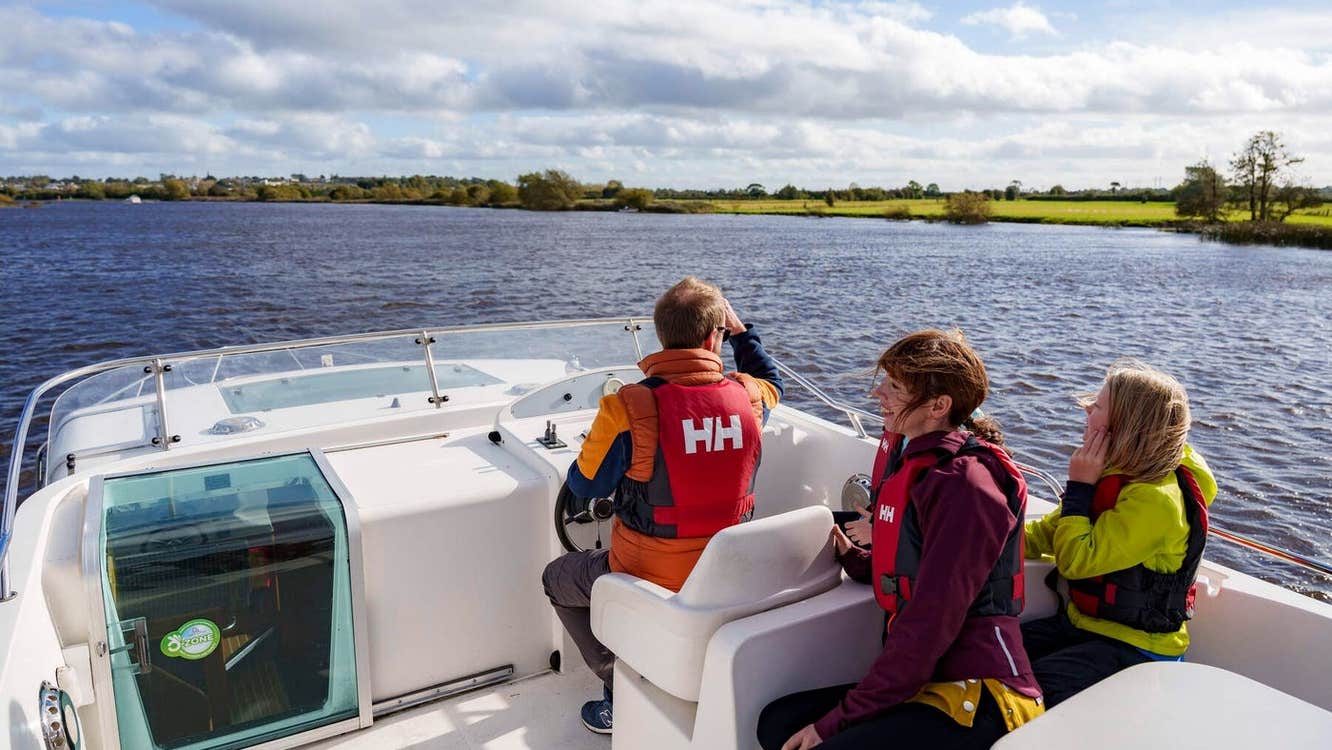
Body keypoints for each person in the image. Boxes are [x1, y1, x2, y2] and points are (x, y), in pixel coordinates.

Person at [758, 329, 1043, 750]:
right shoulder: (923, 468)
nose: (878, 395)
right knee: (776, 722)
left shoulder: (967, 486)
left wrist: (834, 723)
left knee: (815, 739)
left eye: (894, 386)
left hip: (978, 694)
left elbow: (930, 621)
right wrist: (856, 559)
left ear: (938, 406)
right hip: (928, 677)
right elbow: (912, 568)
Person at [542, 276, 783, 734]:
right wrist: (742, 333)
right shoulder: (750, 397)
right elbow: (774, 382)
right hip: (730, 573)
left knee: (558, 578)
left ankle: (619, 690)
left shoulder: (626, 407)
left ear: (660, 335)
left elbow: (585, 484)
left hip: (647, 576)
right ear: (715, 337)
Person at [1021, 359, 1217, 707]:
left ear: (1126, 426)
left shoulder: (1156, 501)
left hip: (1136, 649)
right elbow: (1047, 535)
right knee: (989, 653)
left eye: (1096, 407)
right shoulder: (1116, 476)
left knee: (1027, 697)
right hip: (1084, 627)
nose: (1086, 411)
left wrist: (1079, 489)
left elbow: (1076, 561)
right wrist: (979, 539)